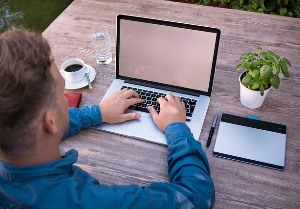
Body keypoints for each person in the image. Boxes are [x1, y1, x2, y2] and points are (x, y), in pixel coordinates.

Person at [0, 27, 215, 209]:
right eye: (61, 92)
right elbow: (196, 194)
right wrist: (176, 128)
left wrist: (98, 112)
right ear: (51, 122)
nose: (66, 99)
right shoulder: (102, 202)